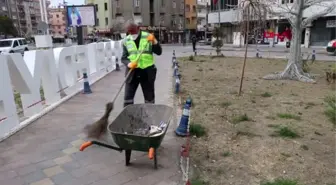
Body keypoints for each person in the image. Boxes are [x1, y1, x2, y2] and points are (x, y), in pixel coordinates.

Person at [121, 21, 162, 108]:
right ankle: (127, 118)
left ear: (138, 28)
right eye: (129, 31)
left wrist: (154, 41)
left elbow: (159, 52)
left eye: (133, 31)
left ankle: (149, 118)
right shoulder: (126, 41)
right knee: (127, 99)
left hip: (147, 73)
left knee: (149, 100)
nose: (131, 33)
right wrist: (129, 64)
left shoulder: (148, 37)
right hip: (132, 73)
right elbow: (124, 58)